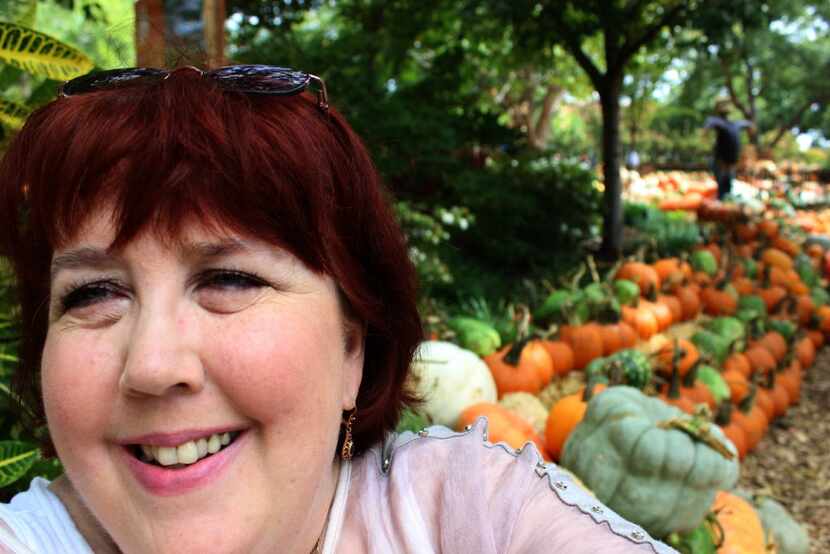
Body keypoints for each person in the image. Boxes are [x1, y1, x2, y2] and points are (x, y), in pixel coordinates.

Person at [0, 65, 675, 553]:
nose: (151, 364)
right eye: (92, 293)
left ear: (354, 344)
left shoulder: (469, 516)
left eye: (230, 279)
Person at [704, 100, 752, 199]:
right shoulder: (736, 124)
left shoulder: (718, 121)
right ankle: (724, 196)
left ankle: (723, 197)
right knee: (727, 178)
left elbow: (706, 129)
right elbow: (750, 125)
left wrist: (706, 137)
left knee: (723, 178)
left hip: (725, 158)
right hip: (730, 158)